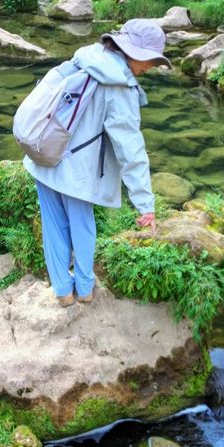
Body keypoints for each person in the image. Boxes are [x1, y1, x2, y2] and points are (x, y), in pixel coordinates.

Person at [24, 18, 170, 307]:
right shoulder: (119, 86)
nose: (151, 67)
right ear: (134, 52)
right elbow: (131, 150)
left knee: (53, 224)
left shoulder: (85, 58)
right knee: (82, 226)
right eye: (151, 60)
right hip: (77, 172)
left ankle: (63, 292)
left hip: (44, 153)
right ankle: (86, 290)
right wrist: (145, 205)